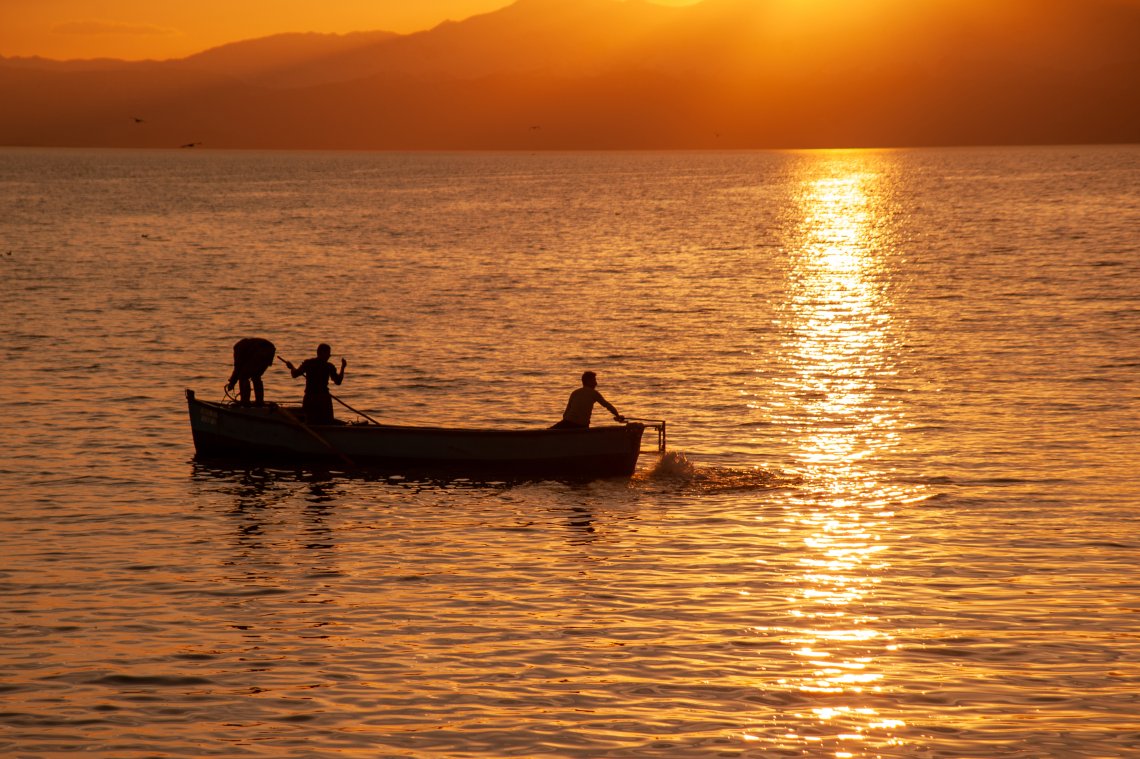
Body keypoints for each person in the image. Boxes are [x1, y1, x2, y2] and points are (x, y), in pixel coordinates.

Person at [284, 344, 346, 425]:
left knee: (311, 422)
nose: (329, 356)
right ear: (321, 353)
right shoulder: (328, 366)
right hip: (322, 399)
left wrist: (292, 367)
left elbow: (294, 374)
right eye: (328, 354)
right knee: (327, 423)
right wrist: (343, 367)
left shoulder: (309, 363)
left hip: (311, 398)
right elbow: (338, 381)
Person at [551, 371, 626, 429]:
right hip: (581, 425)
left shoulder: (575, 392)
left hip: (567, 422)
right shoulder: (594, 393)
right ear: (588, 381)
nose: (596, 383)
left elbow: (565, 414)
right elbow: (607, 406)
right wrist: (617, 415)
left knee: (550, 430)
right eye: (594, 380)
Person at [226, 337, 276, 405]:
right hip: (270, 350)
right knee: (256, 376)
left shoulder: (238, 349)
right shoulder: (245, 347)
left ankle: (245, 401)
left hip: (261, 350)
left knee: (243, 376)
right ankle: (259, 402)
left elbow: (237, 368)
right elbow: (239, 367)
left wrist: (232, 383)